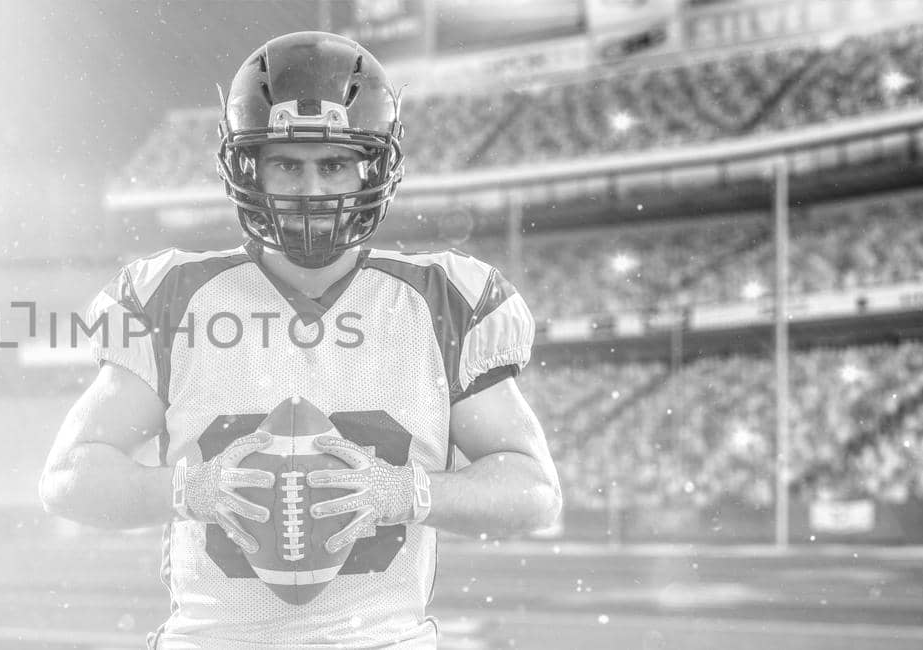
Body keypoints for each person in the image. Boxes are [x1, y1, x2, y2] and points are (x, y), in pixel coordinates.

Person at [39, 31, 561, 649]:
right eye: (288, 163)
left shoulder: (443, 300)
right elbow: (69, 476)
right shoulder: (173, 297)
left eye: (334, 163)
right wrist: (188, 488)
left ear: (375, 166)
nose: (312, 191)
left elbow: (533, 490)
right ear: (247, 167)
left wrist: (405, 492)